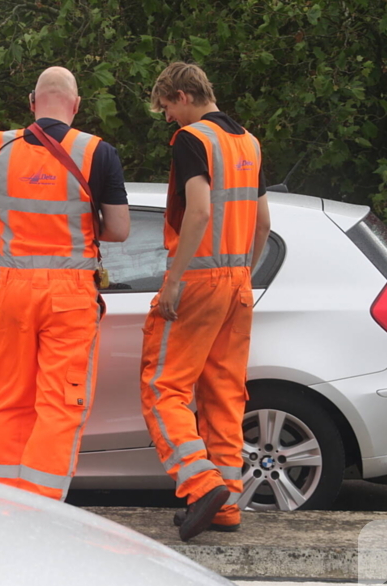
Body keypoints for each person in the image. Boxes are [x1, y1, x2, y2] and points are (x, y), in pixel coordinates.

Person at [0, 66, 130, 500]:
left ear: (32, 102)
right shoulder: (98, 153)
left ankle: (0, 501)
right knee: (59, 405)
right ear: (75, 106)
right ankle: (40, 510)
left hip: (14, 290)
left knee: (11, 401)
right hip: (69, 295)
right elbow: (119, 229)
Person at [140, 62, 271, 541]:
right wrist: (242, 274)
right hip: (238, 281)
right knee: (224, 393)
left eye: (168, 109)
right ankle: (227, 505)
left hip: (199, 279)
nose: (170, 120)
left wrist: (174, 280)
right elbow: (263, 225)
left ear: (181, 95)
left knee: (162, 388)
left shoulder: (194, 140)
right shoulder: (249, 143)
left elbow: (197, 211)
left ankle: (201, 482)